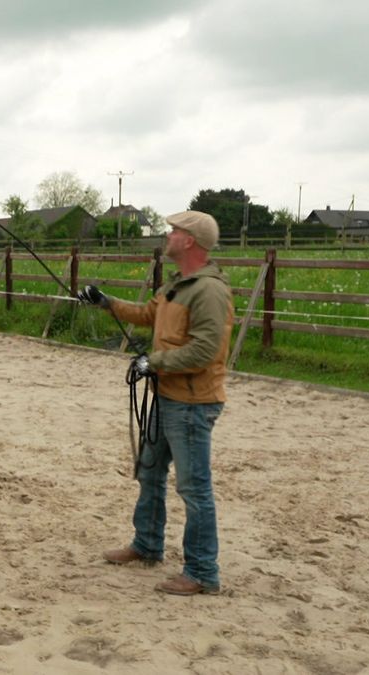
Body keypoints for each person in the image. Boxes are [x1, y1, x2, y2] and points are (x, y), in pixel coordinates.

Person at [77, 210, 234, 595]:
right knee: (149, 473)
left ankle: (201, 572)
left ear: (191, 241)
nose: (168, 234)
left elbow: (207, 350)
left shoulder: (208, 291)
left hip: (192, 403)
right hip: (165, 397)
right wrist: (105, 301)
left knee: (194, 488)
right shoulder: (178, 285)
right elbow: (148, 315)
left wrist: (154, 361)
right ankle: (147, 544)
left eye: (175, 231)